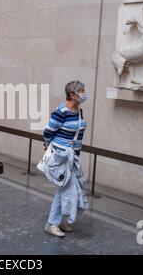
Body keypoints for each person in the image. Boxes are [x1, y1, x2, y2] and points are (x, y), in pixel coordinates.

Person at [42, 81, 89, 237]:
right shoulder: (61, 111)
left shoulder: (79, 111)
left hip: (73, 157)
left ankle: (63, 221)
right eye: (81, 91)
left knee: (69, 189)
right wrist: (51, 146)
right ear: (72, 94)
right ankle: (52, 223)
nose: (84, 94)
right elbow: (48, 131)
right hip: (61, 156)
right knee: (64, 189)